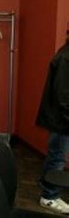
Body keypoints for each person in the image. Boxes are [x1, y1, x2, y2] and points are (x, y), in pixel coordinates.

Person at [36, 30, 69, 215]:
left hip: (60, 118)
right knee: (57, 158)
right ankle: (49, 196)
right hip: (59, 120)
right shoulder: (65, 58)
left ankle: (49, 190)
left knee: (56, 156)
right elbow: (63, 96)